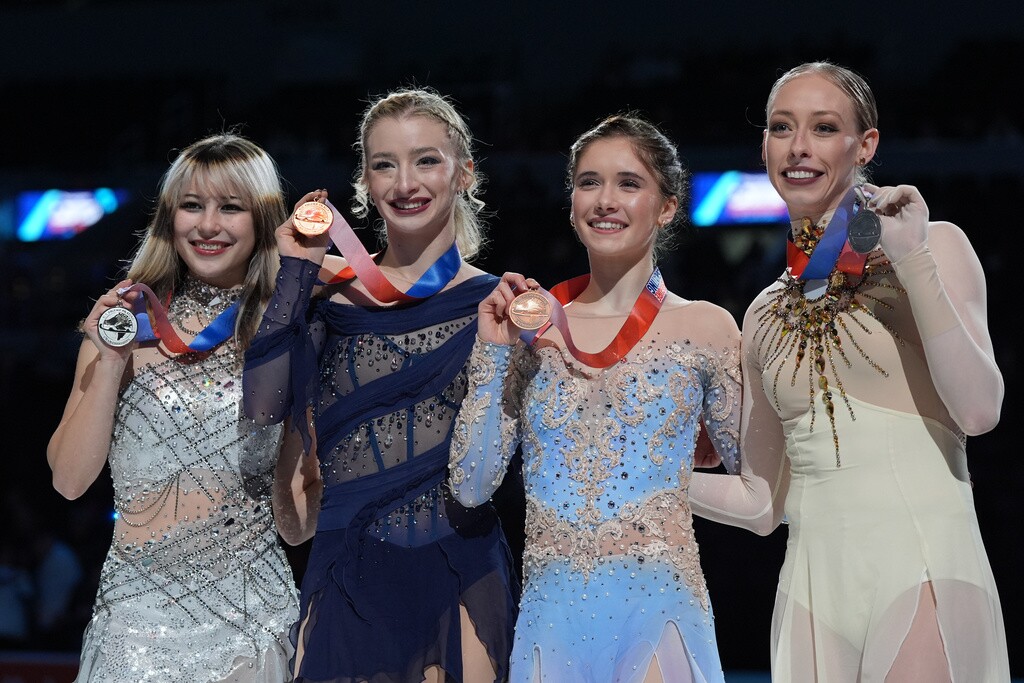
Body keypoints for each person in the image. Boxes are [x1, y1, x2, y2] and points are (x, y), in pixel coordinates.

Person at [688, 61, 1010, 682]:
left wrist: (913, 260)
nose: (799, 147)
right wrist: (645, 475)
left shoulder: (935, 246)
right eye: (782, 128)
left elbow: (979, 410)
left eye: (824, 127)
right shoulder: (761, 313)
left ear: (865, 145)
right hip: (810, 592)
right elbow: (761, 505)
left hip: (923, 566)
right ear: (764, 146)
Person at [448, 114, 741, 683]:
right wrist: (492, 356)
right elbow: (470, 485)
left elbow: (758, 489)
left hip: (661, 609)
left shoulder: (706, 328)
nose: (605, 200)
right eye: (589, 182)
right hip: (550, 619)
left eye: (628, 183)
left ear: (666, 207)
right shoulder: (531, 329)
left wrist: (663, 491)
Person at [243, 88, 518, 682]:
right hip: (347, 573)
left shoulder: (498, 306)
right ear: (363, 182)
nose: (404, 182)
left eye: (426, 160)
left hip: (461, 567)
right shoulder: (327, 298)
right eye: (384, 164)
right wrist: (294, 271)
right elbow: (261, 414)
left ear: (465, 173)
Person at [47, 133, 301, 682]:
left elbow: (298, 524)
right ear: (169, 217)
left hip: (250, 630)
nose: (207, 225)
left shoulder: (285, 336)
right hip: (131, 633)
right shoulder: (121, 328)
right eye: (192, 205)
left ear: (262, 219)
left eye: (230, 207)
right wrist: (112, 360)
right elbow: (69, 481)